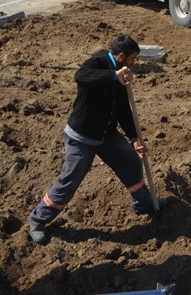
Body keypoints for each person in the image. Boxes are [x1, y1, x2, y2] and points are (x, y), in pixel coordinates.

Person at [28, 34, 166, 245]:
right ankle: (38, 220)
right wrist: (113, 76)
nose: (134, 63)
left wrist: (133, 138)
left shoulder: (123, 75)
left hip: (107, 136)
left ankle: (143, 204)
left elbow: (123, 110)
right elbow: (81, 76)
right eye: (132, 59)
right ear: (121, 56)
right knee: (69, 181)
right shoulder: (96, 63)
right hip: (81, 138)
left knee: (131, 161)